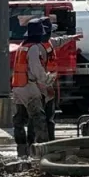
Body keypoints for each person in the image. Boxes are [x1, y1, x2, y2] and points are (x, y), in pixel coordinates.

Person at [11, 18, 57, 156]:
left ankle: (22, 150)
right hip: (28, 87)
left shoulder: (22, 46)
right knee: (39, 118)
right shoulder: (34, 48)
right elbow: (36, 69)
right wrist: (47, 79)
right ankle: (44, 151)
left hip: (18, 86)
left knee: (19, 119)